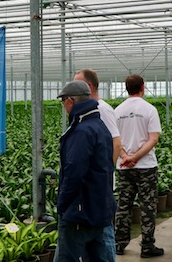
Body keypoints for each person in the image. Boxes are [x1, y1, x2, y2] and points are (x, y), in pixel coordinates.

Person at [54, 80, 116, 262]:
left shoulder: (81, 131)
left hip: (80, 212)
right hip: (99, 208)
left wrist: (62, 205)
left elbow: (74, 172)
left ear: (70, 101)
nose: (63, 106)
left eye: (63, 101)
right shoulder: (100, 127)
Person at [114, 74, 164, 258]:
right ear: (143, 87)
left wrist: (126, 157)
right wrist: (135, 157)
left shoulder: (117, 111)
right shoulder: (149, 109)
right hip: (146, 167)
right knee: (148, 206)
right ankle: (147, 246)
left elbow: (115, 140)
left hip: (124, 167)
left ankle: (119, 244)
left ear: (126, 88)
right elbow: (153, 139)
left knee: (123, 205)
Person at [74, 68, 122, 164]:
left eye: (77, 85)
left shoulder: (102, 109)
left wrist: (107, 171)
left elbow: (116, 143)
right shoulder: (86, 109)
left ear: (89, 86)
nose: (74, 89)